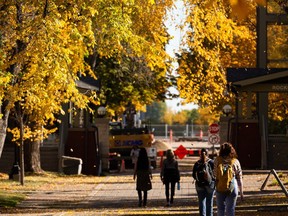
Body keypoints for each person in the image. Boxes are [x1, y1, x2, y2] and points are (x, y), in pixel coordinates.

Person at [214, 142, 244, 216]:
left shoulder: (217, 160)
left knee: (220, 209)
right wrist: (241, 192)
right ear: (232, 151)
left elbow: (214, 175)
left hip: (220, 186)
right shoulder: (235, 161)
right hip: (232, 187)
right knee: (230, 209)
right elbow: (239, 178)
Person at [192, 148, 215, 216]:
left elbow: (193, 175)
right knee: (209, 202)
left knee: (201, 202)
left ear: (200, 154)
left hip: (199, 185)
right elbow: (215, 174)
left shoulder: (197, 163)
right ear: (208, 154)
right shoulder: (212, 162)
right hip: (210, 185)